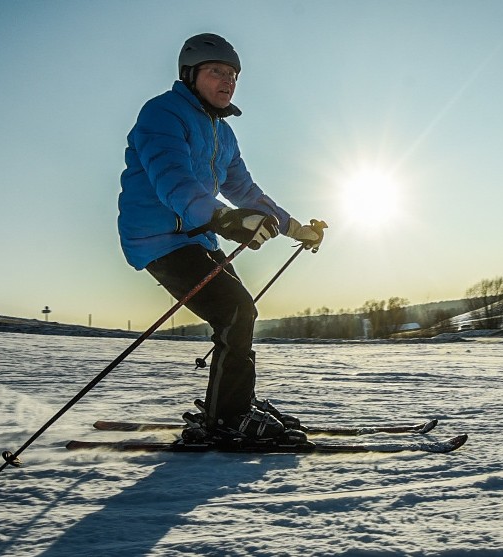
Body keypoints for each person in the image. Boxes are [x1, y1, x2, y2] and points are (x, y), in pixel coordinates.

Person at [118, 33, 325, 444]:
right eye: (216, 71)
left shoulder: (223, 133)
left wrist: (294, 227)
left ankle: (232, 406)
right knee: (235, 311)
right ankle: (225, 420)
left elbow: (246, 191)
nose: (227, 80)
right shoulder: (162, 114)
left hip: (197, 239)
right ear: (190, 75)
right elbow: (171, 178)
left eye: (232, 74)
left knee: (239, 314)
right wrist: (221, 217)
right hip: (158, 238)